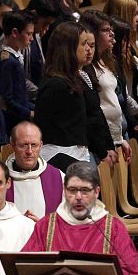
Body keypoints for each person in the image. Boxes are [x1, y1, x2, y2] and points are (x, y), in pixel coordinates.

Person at [22, 161, 138, 275]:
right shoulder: (46, 226)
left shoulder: (113, 228)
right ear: (64, 191)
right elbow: (26, 267)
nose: (78, 197)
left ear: (96, 192)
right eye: (72, 190)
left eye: (85, 191)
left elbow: (129, 273)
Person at [35, 21, 116, 171]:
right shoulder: (56, 84)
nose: (88, 49)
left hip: (77, 152)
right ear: (68, 48)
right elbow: (53, 130)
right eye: (84, 44)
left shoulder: (76, 78)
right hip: (61, 156)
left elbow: (94, 114)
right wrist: (101, 150)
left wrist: (107, 146)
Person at [80, 10, 132, 162]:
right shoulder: (86, 67)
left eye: (111, 29)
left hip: (115, 135)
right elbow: (94, 111)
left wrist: (120, 139)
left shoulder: (107, 60)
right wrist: (104, 146)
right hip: (99, 142)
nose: (111, 34)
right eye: (105, 30)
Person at [4, 122, 64, 221]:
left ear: (41, 145)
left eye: (34, 145)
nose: (29, 151)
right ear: (13, 146)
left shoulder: (58, 178)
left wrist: (42, 227)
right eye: (24, 145)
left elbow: (70, 221)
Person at [0, 11, 35, 133]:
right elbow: (7, 100)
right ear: (15, 33)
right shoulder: (8, 61)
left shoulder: (13, 57)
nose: (32, 38)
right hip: (13, 122)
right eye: (29, 34)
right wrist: (29, 113)